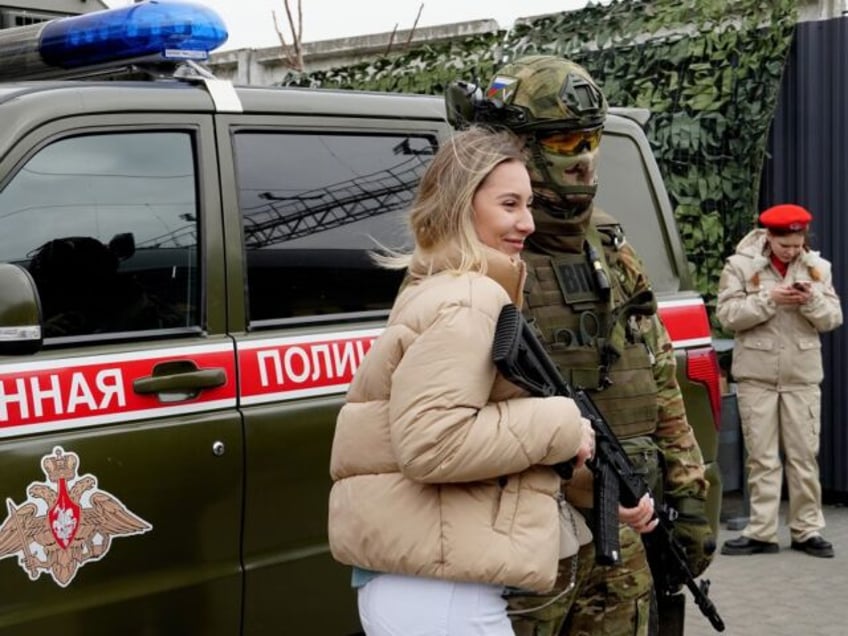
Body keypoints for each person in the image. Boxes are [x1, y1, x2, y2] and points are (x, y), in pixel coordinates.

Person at [446, 55, 715, 636]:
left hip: (627, 524)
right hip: (529, 529)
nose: (584, 158)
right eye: (565, 141)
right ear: (517, 146)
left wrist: (690, 494)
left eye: (591, 140)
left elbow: (658, 377)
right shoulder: (475, 257)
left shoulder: (610, 247)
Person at [327, 125, 596, 636]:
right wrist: (563, 422)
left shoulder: (438, 287)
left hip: (427, 576)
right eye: (510, 204)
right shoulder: (470, 299)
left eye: (529, 204)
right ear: (459, 206)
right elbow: (433, 443)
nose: (528, 222)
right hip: (439, 589)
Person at [717, 203, 842, 558]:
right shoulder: (739, 266)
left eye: (797, 244)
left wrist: (810, 300)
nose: (791, 251)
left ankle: (807, 531)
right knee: (762, 457)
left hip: (801, 376)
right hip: (757, 375)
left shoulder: (818, 268)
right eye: (784, 244)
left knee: (804, 456)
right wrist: (768, 299)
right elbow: (727, 316)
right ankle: (762, 532)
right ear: (768, 237)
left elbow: (833, 318)